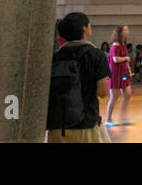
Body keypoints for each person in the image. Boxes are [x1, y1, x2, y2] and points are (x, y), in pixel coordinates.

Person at [46, 12, 111, 143]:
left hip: (57, 125)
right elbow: (103, 92)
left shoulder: (56, 56)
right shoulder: (95, 54)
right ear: (84, 28)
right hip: (86, 124)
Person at [104, 24, 132, 127]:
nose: (127, 31)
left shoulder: (123, 45)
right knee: (114, 97)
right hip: (115, 74)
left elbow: (125, 58)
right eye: (125, 30)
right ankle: (108, 119)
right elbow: (115, 59)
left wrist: (128, 69)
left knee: (127, 94)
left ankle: (123, 118)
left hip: (123, 73)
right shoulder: (115, 45)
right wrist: (126, 59)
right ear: (120, 32)